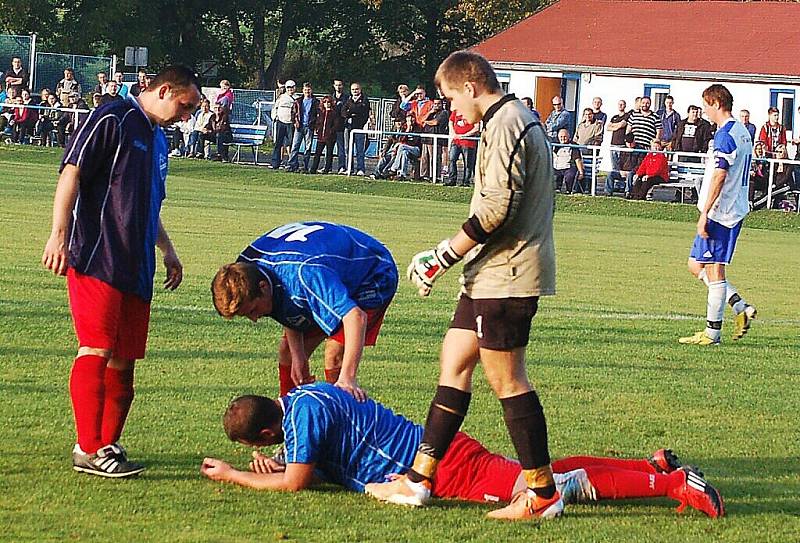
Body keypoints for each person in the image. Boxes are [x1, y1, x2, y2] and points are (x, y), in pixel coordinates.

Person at [364, 50, 561, 521]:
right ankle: (417, 481)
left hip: (507, 275)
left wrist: (442, 256)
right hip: (487, 275)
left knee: (507, 379)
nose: (451, 107)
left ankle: (541, 494)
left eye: (452, 96)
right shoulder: (508, 119)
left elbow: (496, 211)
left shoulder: (507, 121)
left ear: (471, 86)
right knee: (453, 363)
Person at [201, 384, 725, 519]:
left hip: (441, 470)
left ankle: (674, 484)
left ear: (265, 437)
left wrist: (233, 476)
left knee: (548, 489)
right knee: (540, 473)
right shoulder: (305, 398)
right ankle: (652, 467)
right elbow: (309, 464)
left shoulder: (304, 420)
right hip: (441, 455)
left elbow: (297, 480)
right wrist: (282, 461)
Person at [41, 65, 201, 478]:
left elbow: (148, 201)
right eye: (187, 105)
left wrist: (168, 250)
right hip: (99, 255)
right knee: (96, 348)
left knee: (125, 363)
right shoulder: (113, 117)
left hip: (137, 265)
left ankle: (107, 445)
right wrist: (58, 235)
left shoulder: (158, 139)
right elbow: (71, 172)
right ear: (165, 90)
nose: (189, 115)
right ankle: (88, 448)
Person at [211, 222, 398, 401]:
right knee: (289, 354)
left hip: (372, 273)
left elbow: (356, 317)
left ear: (263, 287)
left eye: (252, 310)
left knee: (334, 355)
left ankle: (341, 418)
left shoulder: (304, 275)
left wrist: (348, 378)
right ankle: (287, 420)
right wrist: (299, 356)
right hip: (324, 269)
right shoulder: (246, 267)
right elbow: (283, 300)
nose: (254, 319)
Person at [679, 84, 757, 346]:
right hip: (733, 207)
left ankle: (712, 333)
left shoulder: (725, 136)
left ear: (715, 103)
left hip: (721, 213)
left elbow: (720, 174)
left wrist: (705, 214)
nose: (704, 111)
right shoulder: (742, 132)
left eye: (705, 106)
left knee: (714, 270)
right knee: (695, 265)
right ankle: (740, 306)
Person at [287, 82, 319, 173]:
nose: (307, 91)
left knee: (308, 148)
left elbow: (318, 114)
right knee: (295, 146)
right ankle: (292, 165)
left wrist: (315, 125)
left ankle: (305, 166)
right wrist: (295, 122)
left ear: (311, 90)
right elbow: (293, 113)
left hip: (310, 126)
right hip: (299, 126)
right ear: (302, 90)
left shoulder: (316, 102)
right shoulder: (298, 101)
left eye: (308, 89)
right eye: (305, 90)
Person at [341, 83, 370, 175]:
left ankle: (360, 169)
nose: (355, 91)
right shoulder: (348, 99)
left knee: (359, 150)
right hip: (348, 127)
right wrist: (350, 113)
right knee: (347, 149)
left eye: (356, 89)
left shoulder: (365, 100)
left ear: (360, 89)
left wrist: (352, 111)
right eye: (353, 89)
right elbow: (343, 112)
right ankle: (350, 168)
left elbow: (362, 113)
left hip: (359, 128)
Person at [446, 108, 478, 186]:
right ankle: (452, 180)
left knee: (468, 163)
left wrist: (464, 135)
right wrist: (453, 133)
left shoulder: (473, 111)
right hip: (456, 141)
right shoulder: (456, 110)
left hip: (468, 142)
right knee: (452, 159)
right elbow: (451, 121)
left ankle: (466, 181)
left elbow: (477, 127)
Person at [605, 99, 630, 194]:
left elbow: (622, 124)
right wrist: (617, 126)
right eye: (619, 104)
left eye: (622, 104)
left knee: (622, 166)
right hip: (613, 144)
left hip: (622, 145)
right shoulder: (614, 117)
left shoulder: (627, 116)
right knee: (614, 166)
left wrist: (615, 126)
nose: (621, 106)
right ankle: (616, 185)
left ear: (625, 106)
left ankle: (622, 185)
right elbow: (608, 127)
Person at [309, 95, 340, 174]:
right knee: (317, 153)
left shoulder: (334, 113)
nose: (327, 104)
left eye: (328, 102)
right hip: (321, 136)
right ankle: (313, 169)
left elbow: (336, 124)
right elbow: (318, 122)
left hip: (330, 137)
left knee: (329, 153)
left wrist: (331, 131)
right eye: (325, 102)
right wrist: (317, 128)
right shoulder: (321, 112)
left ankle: (327, 169)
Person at [270, 80, 295, 169]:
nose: (290, 90)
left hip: (290, 123)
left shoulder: (295, 99)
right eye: (288, 88)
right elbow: (275, 108)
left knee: (290, 144)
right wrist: (275, 117)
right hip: (280, 122)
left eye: (291, 88)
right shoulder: (281, 98)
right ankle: (275, 163)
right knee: (278, 143)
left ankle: (291, 162)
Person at [553, 128, 584, 193]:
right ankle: (557, 189)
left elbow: (577, 159)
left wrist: (581, 172)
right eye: (561, 137)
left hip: (568, 167)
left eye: (565, 137)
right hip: (557, 167)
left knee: (570, 175)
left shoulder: (573, 145)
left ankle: (568, 190)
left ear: (568, 137)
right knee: (555, 175)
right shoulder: (554, 145)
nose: (563, 138)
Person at [331, 79, 349, 173]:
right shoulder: (331, 97)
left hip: (341, 126)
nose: (338, 87)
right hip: (330, 126)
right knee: (328, 148)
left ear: (342, 86)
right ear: (334, 86)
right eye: (336, 85)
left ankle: (342, 167)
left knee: (342, 148)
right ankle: (327, 167)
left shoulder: (346, 98)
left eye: (340, 85)